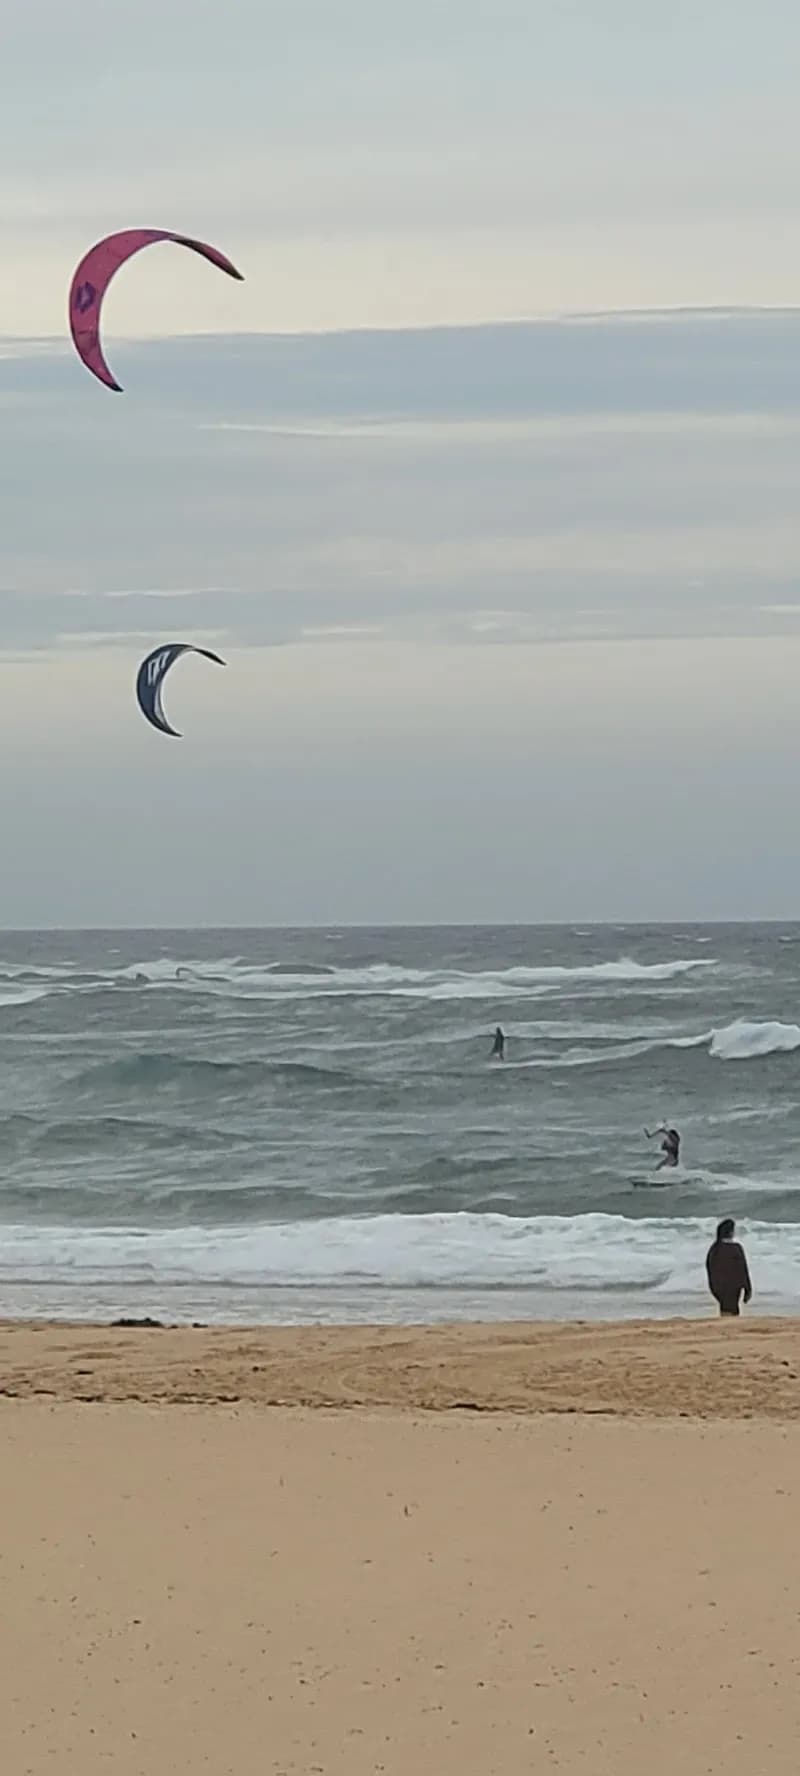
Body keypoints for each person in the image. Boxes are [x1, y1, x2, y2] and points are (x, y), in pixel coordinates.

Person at [706, 1219, 752, 1317]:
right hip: (734, 1286)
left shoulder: (715, 1248)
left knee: (726, 1307)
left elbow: (709, 1268)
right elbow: (743, 1269)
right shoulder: (736, 1248)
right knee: (732, 1308)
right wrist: (748, 1289)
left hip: (719, 1286)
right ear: (731, 1232)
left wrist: (713, 1286)